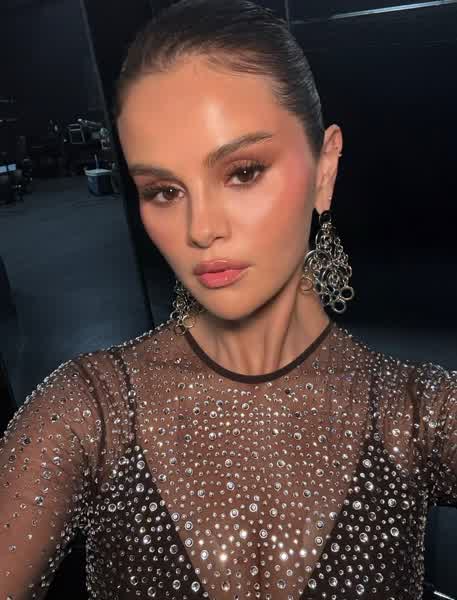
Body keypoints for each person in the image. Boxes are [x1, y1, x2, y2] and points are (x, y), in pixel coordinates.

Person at [1, 1, 456, 598]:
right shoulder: (86, 412)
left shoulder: (418, 411)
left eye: (242, 172)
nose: (201, 229)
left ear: (324, 169)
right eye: (164, 191)